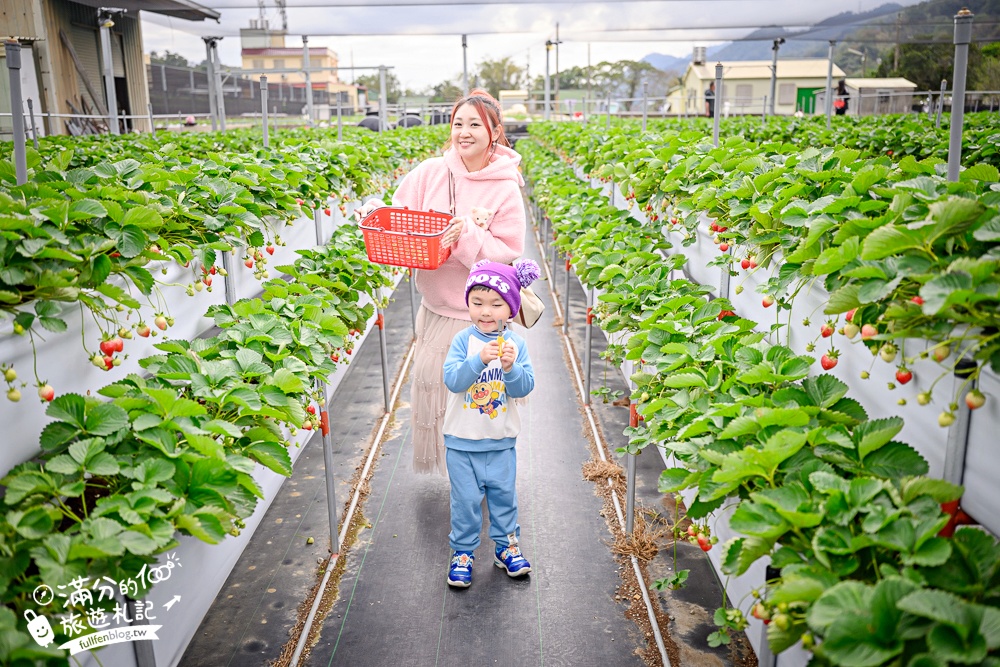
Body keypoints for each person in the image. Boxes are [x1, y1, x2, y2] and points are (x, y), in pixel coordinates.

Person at [355, 89, 527, 475]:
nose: (464, 132)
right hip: (436, 306)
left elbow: (508, 249)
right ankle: (460, 475)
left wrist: (465, 234)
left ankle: (487, 473)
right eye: (458, 124)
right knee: (435, 390)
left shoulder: (505, 186)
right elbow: (397, 215)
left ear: (495, 132)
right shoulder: (431, 172)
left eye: (475, 125)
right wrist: (373, 213)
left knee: (482, 397)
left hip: (482, 315)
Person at [441, 259, 538, 587]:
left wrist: (510, 368)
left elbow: (524, 387)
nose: (486, 311)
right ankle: (463, 552)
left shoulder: (517, 345)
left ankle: (506, 546)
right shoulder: (462, 342)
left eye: (497, 304)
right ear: (467, 303)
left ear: (510, 310)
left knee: (503, 496)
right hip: (461, 442)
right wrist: (478, 359)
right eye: (477, 302)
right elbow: (453, 380)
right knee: (465, 500)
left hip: (500, 441)